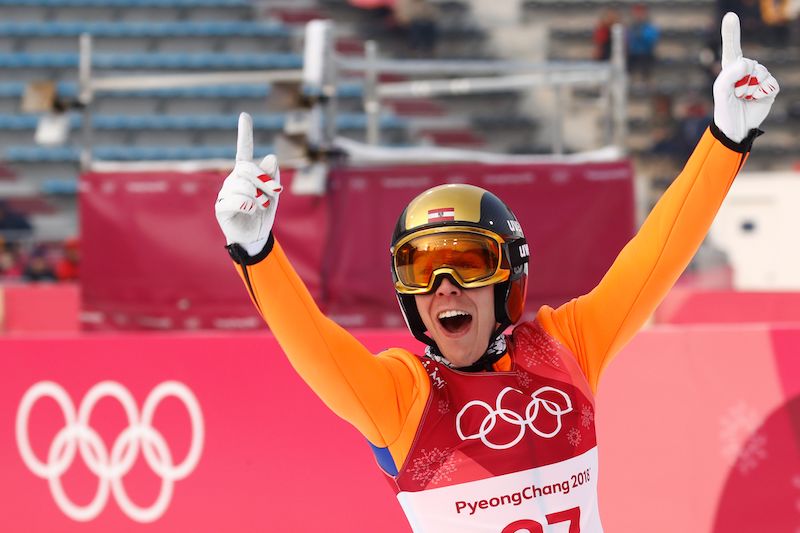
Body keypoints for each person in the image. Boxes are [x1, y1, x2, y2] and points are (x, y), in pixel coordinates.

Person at [215, 14, 778, 532]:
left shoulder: (567, 350)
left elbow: (657, 254)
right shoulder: (405, 400)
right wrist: (257, 253)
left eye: (465, 264)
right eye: (422, 271)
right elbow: (314, 347)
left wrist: (726, 142)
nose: (444, 288)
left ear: (508, 280)